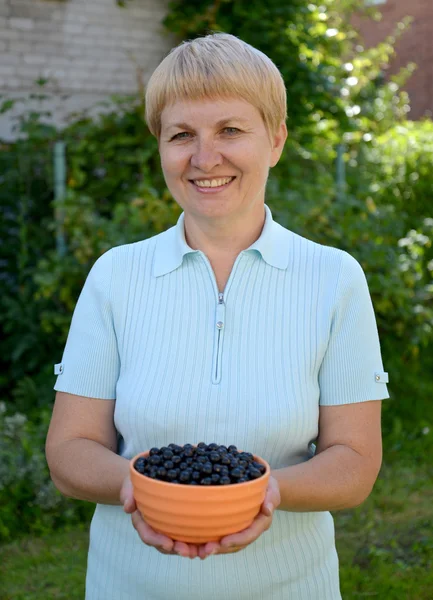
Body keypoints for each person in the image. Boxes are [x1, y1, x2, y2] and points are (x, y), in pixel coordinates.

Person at [46, 33, 390, 600]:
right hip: (129, 586)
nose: (205, 158)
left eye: (230, 130)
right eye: (182, 135)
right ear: (160, 145)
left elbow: (354, 465)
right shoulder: (115, 276)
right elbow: (68, 453)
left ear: (276, 140)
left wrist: (257, 493)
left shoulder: (334, 278)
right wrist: (150, 493)